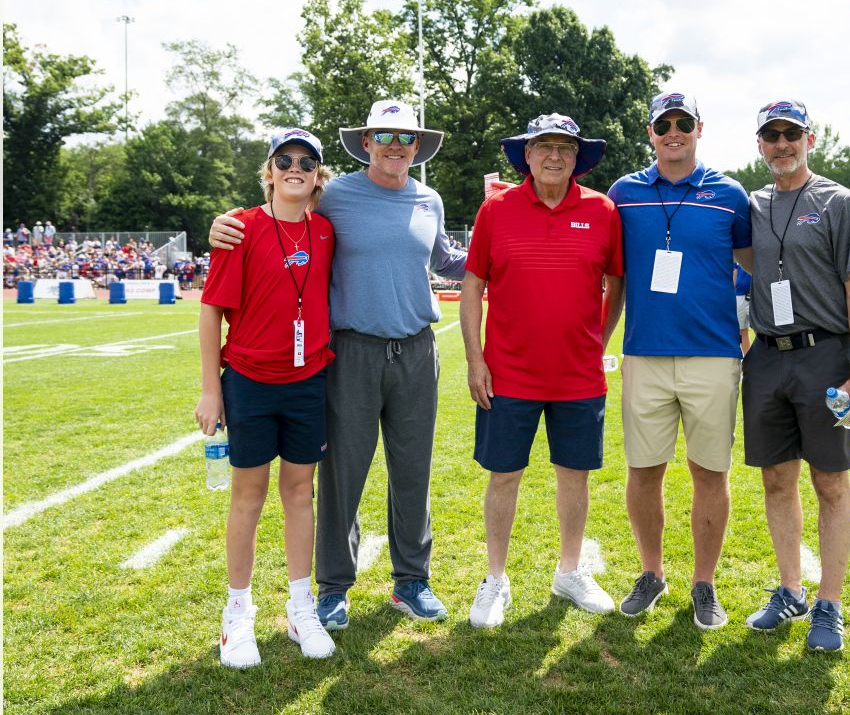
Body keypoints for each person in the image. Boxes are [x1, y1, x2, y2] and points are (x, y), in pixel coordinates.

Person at [209, 100, 465, 629]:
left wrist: (503, 241)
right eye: (384, 136)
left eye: (406, 138)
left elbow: (447, 260)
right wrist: (224, 222)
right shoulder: (337, 194)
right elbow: (283, 204)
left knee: (413, 470)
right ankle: (332, 588)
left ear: (418, 147)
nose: (395, 146)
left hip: (417, 349)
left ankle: (411, 581)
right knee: (341, 474)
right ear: (367, 141)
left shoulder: (429, 199)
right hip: (351, 350)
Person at [460, 113, 625, 627]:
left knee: (574, 475)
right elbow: (471, 288)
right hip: (507, 373)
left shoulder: (603, 210)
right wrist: (474, 359)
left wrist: (597, 339)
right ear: (525, 155)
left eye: (565, 147)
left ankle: (570, 571)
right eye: (544, 146)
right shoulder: (497, 210)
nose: (555, 155)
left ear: (578, 157)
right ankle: (495, 578)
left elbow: (616, 284)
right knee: (503, 475)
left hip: (578, 376)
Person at [606, 91, 753, 629]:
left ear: (699, 128)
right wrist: (597, 338)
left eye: (683, 122)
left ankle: (704, 583)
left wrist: (753, 323)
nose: (674, 131)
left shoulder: (730, 194)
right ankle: (652, 573)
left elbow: (755, 264)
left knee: (708, 471)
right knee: (643, 470)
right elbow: (613, 277)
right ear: (650, 132)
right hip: (644, 354)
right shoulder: (623, 193)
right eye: (663, 123)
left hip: (714, 355)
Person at [194, 128, 337, 668]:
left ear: (317, 174)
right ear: (270, 171)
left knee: (300, 493)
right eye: (285, 160)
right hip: (250, 381)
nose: (295, 167)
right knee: (248, 495)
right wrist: (212, 389)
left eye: (306, 161)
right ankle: (237, 614)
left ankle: (302, 609)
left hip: (307, 381)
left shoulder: (325, 230)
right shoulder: (241, 228)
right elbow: (210, 311)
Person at [740, 99, 850, 653]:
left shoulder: (840, 201)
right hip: (767, 356)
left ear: (810, 140)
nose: (781, 144)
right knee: (776, 479)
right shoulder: (750, 204)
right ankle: (791, 590)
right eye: (771, 135)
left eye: (790, 134)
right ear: (760, 144)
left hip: (824, 354)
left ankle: (830, 602)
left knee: (830, 481)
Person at [735, 261, 754, 354]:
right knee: (742, 330)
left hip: (755, 294)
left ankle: (762, 358)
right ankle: (747, 357)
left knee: (759, 330)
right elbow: (734, 271)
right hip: (739, 295)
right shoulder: (735, 251)